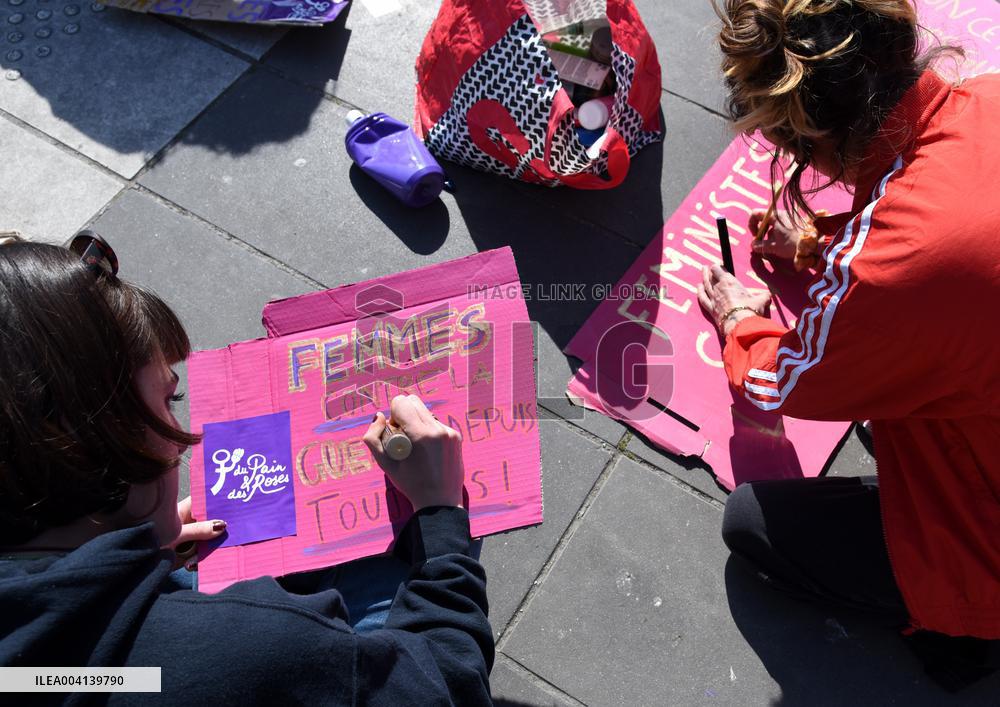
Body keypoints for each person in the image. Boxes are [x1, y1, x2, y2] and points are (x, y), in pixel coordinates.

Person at [0, 233, 493, 704]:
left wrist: (127, 553)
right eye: (170, 400)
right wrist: (440, 515)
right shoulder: (258, 649)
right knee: (401, 544)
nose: (182, 436)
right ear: (101, 436)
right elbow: (447, 686)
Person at [698, 0, 1000, 690]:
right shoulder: (986, 97)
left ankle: (965, 630)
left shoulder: (891, 265)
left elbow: (784, 383)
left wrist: (742, 319)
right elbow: (949, 238)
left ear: (810, 142)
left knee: (752, 521)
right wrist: (817, 244)